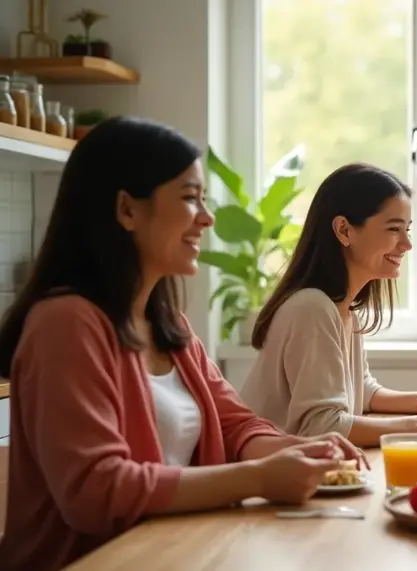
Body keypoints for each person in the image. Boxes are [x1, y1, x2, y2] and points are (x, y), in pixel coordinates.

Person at [0, 117, 367, 571]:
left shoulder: (167, 324)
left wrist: (293, 450)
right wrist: (256, 478)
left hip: (177, 551)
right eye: (190, 199)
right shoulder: (65, 323)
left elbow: (235, 427)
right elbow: (95, 491)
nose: (207, 218)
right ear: (127, 210)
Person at [239, 163, 417, 447]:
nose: (407, 244)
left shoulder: (343, 310)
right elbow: (321, 426)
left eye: (407, 229)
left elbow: (362, 391)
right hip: (273, 476)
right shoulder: (311, 308)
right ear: (344, 230)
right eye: (394, 229)